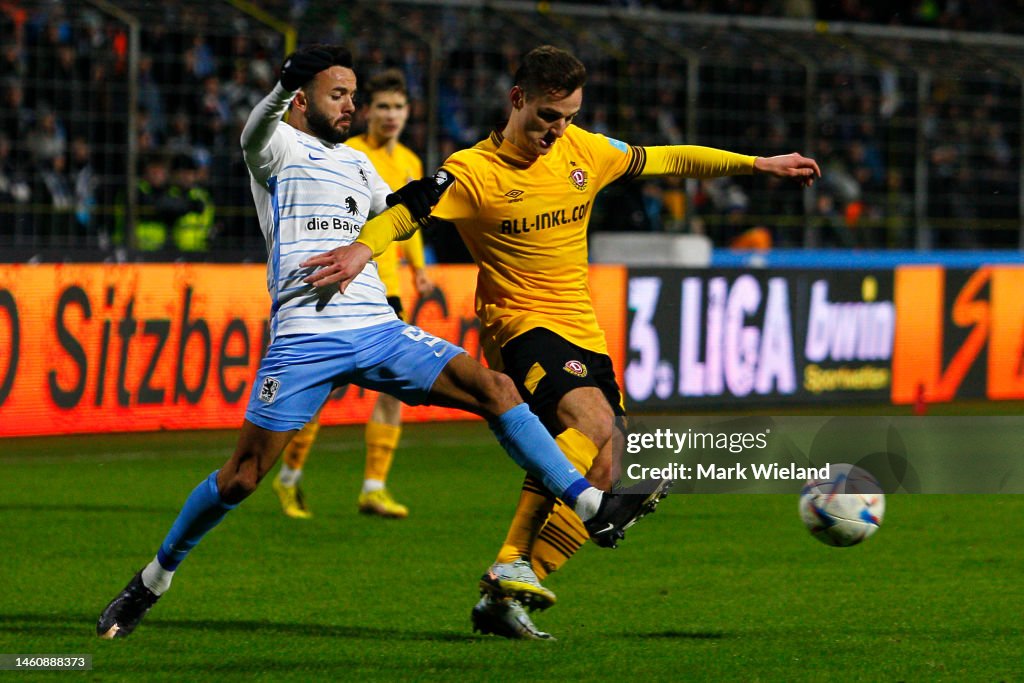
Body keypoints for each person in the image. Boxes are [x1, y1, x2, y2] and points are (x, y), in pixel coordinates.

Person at [95, 44, 667, 640]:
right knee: (240, 477)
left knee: (494, 387)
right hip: (305, 338)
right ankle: (152, 580)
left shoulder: (362, 167)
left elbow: (399, 215)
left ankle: (585, 503)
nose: (352, 105)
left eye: (354, 94)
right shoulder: (275, 149)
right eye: (337, 94)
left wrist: (435, 200)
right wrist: (279, 86)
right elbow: (254, 128)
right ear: (301, 98)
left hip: (377, 328)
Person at [300, 45, 820, 640]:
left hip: (582, 329)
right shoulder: (475, 170)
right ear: (517, 99)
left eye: (569, 116)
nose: (559, 129)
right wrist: (360, 250)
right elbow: (409, 208)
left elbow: (669, 158)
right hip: (520, 327)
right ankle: (509, 564)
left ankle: (508, 586)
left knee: (615, 458)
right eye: (549, 115)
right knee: (598, 433)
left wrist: (758, 165)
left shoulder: (585, 152)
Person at [271, 68, 434, 520]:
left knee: (392, 392)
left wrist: (419, 269)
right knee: (324, 387)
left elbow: (406, 220)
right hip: (346, 283)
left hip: (390, 286)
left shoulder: (411, 162)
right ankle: (289, 475)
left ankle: (373, 487)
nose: (391, 115)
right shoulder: (347, 152)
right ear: (367, 112)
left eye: (398, 108)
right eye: (382, 106)